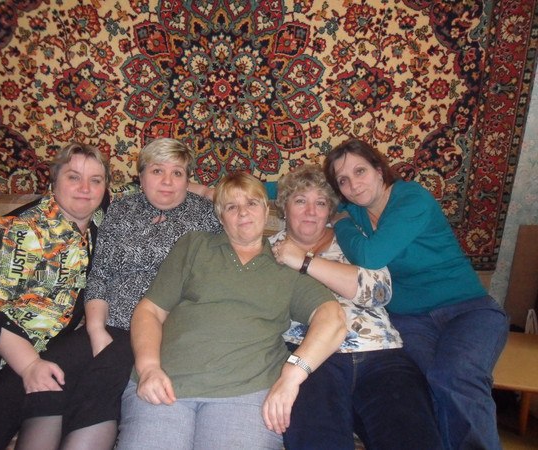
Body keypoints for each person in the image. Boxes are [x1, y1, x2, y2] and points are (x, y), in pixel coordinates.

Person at [14, 138, 223, 450]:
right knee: (52, 373)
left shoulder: (207, 216)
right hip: (110, 322)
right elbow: (100, 274)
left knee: (101, 380)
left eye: (177, 173)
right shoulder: (121, 209)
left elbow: (241, 207)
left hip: (161, 328)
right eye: (157, 171)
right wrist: (96, 329)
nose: (167, 181)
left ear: (187, 179)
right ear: (141, 176)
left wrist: (208, 191)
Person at [117, 172, 347, 449]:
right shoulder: (195, 246)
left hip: (248, 392)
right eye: (231, 206)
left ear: (266, 210)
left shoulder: (286, 265)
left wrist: (292, 377)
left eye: (251, 203)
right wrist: (149, 368)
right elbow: (150, 311)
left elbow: (333, 318)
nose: (243, 212)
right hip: (165, 382)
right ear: (221, 216)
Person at [323, 138, 508, 450]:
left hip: (468, 310)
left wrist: (341, 224)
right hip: (410, 320)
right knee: (423, 386)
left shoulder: (412, 199)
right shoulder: (354, 209)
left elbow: (370, 256)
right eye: (343, 180)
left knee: (455, 376)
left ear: (379, 169)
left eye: (360, 171)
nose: (353, 185)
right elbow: (302, 187)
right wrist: (237, 187)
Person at [0, 142, 109, 450]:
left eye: (95, 180)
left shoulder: (101, 219)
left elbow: (154, 185)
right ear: (54, 181)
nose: (85, 188)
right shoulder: (22, 226)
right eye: (73, 177)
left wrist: (199, 188)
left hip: (33, 341)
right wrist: (29, 365)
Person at [269, 165, 442, 449]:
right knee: (317, 440)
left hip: (380, 354)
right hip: (309, 358)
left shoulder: (353, 239)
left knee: (413, 437)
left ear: (330, 211)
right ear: (284, 209)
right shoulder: (267, 250)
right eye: (300, 201)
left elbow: (380, 292)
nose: (311, 211)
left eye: (320, 203)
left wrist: (304, 261)